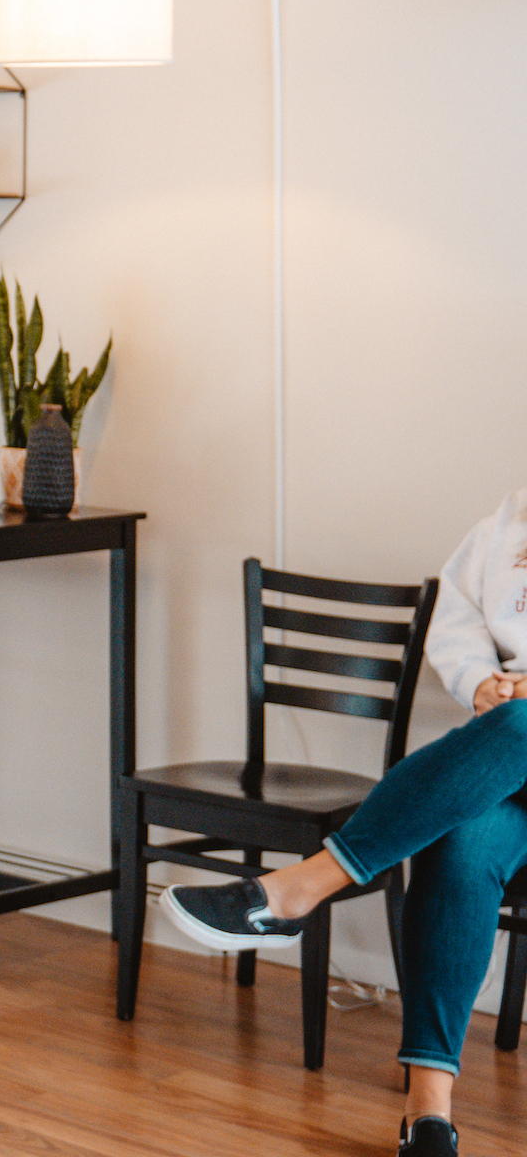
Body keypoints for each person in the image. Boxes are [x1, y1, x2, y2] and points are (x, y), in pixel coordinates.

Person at [165, 491, 527, 1157]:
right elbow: (458, 613)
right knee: (463, 838)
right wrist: (481, 680)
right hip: (513, 765)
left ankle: (296, 890)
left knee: (522, 724)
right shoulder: (510, 520)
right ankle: (429, 1116)